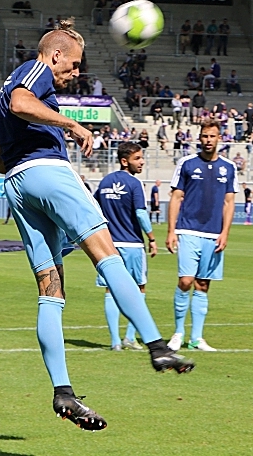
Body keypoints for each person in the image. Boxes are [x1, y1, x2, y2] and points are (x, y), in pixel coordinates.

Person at [0, 21, 194, 431]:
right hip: (49, 174)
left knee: (51, 290)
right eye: (75, 64)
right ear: (57, 54)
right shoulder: (34, 69)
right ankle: (157, 345)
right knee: (107, 254)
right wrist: (73, 125)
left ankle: (63, 392)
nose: (76, 72)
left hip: (15, 184)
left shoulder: (7, 91)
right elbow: (21, 103)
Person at [166, 118, 237, 353]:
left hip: (214, 233)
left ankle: (197, 338)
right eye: (205, 136)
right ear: (200, 138)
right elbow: (176, 198)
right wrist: (171, 231)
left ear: (220, 138)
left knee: (203, 284)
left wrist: (225, 232)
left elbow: (229, 202)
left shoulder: (228, 167)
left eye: (212, 136)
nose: (208, 140)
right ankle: (178, 333)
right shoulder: (186, 164)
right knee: (185, 281)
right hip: (188, 230)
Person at [94, 142, 158, 351]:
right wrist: (151, 237)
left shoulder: (105, 182)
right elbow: (140, 213)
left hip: (108, 245)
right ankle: (130, 337)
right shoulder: (133, 184)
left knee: (110, 290)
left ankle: (114, 341)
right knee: (139, 288)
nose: (142, 162)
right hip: (131, 244)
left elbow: (94, 207)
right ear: (124, 161)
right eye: (137, 158)